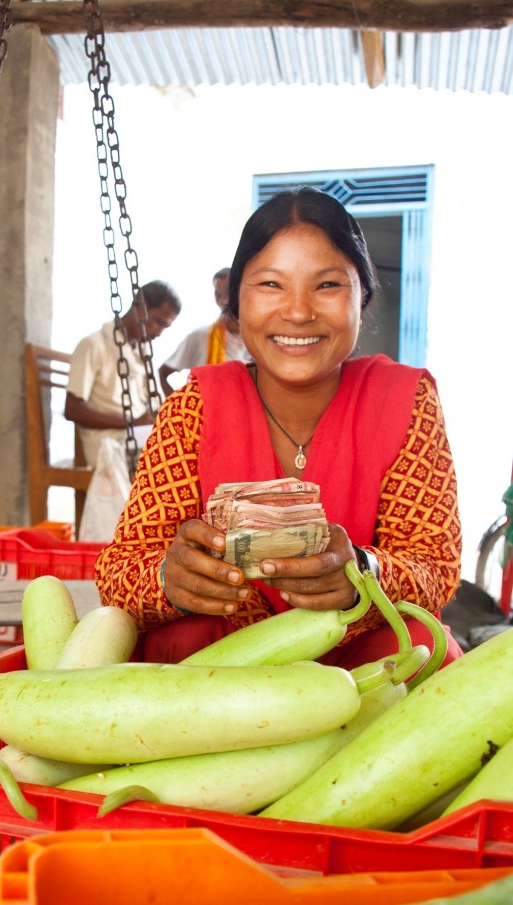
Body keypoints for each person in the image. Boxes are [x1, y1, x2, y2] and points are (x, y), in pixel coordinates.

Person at [95, 187, 464, 668]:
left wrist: (364, 571)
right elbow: (120, 571)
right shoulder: (194, 407)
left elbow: (434, 565)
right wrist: (170, 577)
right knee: (184, 634)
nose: (297, 311)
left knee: (417, 643)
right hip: (220, 669)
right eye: (271, 284)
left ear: (362, 297)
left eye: (327, 285)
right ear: (235, 302)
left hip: (360, 663)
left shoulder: (405, 401)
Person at [65, 280, 181, 469]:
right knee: (172, 458)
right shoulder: (93, 345)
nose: (159, 333)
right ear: (139, 307)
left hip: (138, 438)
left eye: (165, 327)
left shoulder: (143, 355)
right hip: (109, 445)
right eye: (158, 322)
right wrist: (132, 422)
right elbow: (72, 409)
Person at [158, 267, 250, 397]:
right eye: (218, 295)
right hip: (206, 415)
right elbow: (162, 374)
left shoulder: (256, 340)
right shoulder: (201, 336)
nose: (224, 301)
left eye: (229, 293)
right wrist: (180, 409)